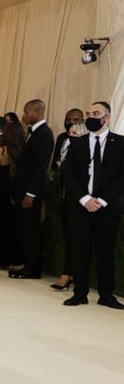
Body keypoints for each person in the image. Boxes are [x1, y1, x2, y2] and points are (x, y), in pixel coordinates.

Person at [63, 102, 124, 309]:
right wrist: (85, 199)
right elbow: (68, 174)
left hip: (107, 208)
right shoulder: (77, 143)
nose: (90, 117)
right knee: (80, 251)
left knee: (105, 252)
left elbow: (121, 177)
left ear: (106, 118)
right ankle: (80, 293)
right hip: (80, 207)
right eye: (88, 113)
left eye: (96, 113)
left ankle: (106, 295)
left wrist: (102, 200)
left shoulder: (121, 143)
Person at [9, 100, 55, 279]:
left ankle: (33, 268)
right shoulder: (32, 133)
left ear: (36, 112)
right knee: (24, 229)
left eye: (26, 112)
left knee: (30, 231)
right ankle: (27, 264)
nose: (23, 116)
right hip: (23, 189)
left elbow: (40, 167)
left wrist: (30, 194)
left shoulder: (43, 134)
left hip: (31, 192)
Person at [50, 108, 86, 290]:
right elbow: (56, 164)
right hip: (63, 195)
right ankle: (67, 271)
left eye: (76, 120)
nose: (71, 123)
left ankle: (70, 274)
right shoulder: (62, 139)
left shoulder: (87, 142)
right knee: (66, 235)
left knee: (77, 237)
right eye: (68, 120)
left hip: (80, 198)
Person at [0, 117, 23, 269]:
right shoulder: (20, 149)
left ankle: (0, 258)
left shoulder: (1, 149)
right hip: (13, 189)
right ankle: (14, 258)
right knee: (12, 225)